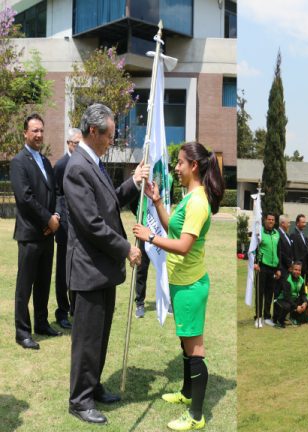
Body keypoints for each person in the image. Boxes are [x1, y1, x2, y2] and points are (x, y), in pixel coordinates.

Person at [65, 104, 147, 424]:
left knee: (99, 336)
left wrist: (134, 182)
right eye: (110, 134)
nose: (112, 139)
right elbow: (92, 223)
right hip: (88, 270)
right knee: (86, 340)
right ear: (93, 132)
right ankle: (79, 400)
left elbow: (109, 202)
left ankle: (93, 385)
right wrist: (127, 248)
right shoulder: (77, 167)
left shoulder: (93, 162)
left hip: (102, 270)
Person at [132, 141, 223, 430]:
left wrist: (149, 237)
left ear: (193, 166)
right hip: (182, 284)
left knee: (195, 348)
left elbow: (183, 245)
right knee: (185, 342)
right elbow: (175, 227)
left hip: (190, 286)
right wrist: (158, 202)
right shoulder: (191, 197)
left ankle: (196, 416)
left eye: (180, 163)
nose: (177, 168)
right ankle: (186, 393)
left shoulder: (197, 202)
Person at [10, 114, 62, 350]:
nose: (39, 135)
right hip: (30, 234)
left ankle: (41, 323)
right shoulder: (19, 162)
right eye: (34, 131)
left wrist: (57, 217)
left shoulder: (45, 161)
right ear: (25, 133)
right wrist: (47, 219)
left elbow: (56, 194)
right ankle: (22, 332)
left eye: (41, 130)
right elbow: (25, 198)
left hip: (47, 233)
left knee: (43, 283)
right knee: (25, 285)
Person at [52, 127, 82, 329]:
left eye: (81, 143)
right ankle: (62, 311)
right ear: (69, 144)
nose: (79, 146)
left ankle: (76, 308)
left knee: (78, 268)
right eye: (76, 143)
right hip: (64, 226)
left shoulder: (84, 162)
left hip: (81, 225)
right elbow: (56, 194)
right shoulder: (61, 165)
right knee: (63, 270)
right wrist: (58, 216)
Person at [253, 213, 280, 327]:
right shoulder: (260, 233)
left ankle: (267, 316)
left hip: (273, 268)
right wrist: (255, 263)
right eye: (269, 219)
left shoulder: (276, 233)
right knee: (260, 293)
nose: (270, 221)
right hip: (262, 266)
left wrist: (278, 269)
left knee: (270, 293)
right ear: (265, 220)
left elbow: (278, 251)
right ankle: (258, 317)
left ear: (274, 221)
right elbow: (254, 248)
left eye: (272, 220)